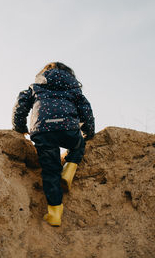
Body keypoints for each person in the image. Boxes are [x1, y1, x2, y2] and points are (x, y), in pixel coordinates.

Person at [12, 62, 95, 226]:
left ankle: (55, 213)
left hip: (42, 131)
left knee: (50, 172)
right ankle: (68, 172)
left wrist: (19, 127)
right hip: (69, 129)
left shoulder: (35, 87)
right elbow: (87, 111)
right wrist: (88, 132)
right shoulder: (73, 89)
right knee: (78, 145)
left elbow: (20, 105)